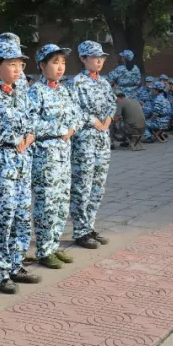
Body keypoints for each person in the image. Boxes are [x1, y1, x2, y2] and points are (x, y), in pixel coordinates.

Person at [0, 38, 40, 293]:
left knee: (20, 215)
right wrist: (11, 139)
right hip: (1, 164)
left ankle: (16, 264)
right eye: (11, 64)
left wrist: (29, 136)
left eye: (20, 64)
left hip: (22, 161)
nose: (17, 69)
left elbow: (32, 121)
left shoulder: (21, 92)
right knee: (2, 217)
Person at [29, 44, 82, 270]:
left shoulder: (64, 90)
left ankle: (54, 243)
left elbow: (78, 115)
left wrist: (72, 127)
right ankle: (43, 249)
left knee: (61, 203)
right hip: (45, 158)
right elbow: (30, 124)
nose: (60, 68)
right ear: (42, 66)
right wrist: (60, 129)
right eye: (55, 62)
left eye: (62, 63)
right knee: (47, 204)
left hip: (64, 156)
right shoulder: (36, 92)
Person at [70, 40, 115, 249]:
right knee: (83, 186)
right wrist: (91, 119)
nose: (99, 61)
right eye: (95, 57)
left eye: (102, 57)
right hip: (85, 141)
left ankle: (90, 226)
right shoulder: (75, 83)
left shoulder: (104, 82)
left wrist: (109, 117)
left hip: (103, 141)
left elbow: (113, 102)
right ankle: (80, 230)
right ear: (83, 59)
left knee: (98, 186)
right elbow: (73, 110)